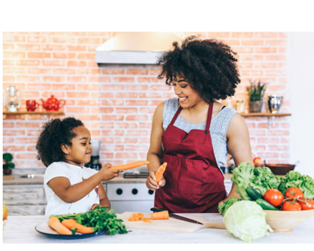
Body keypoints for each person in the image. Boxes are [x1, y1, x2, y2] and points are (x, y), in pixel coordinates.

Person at [146, 36, 253, 213]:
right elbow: (154, 153)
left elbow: (246, 172)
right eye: (174, 84)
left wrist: (228, 204)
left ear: (204, 83)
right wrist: (154, 173)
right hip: (166, 210)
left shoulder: (230, 121)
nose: (177, 91)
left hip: (210, 211)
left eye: (184, 85)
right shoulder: (164, 110)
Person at [36, 117, 123, 216]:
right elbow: (67, 195)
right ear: (65, 148)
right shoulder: (56, 168)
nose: (89, 146)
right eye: (83, 143)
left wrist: (102, 209)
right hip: (61, 229)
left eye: (89, 142)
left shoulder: (93, 173)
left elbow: (104, 200)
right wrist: (100, 176)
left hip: (89, 229)